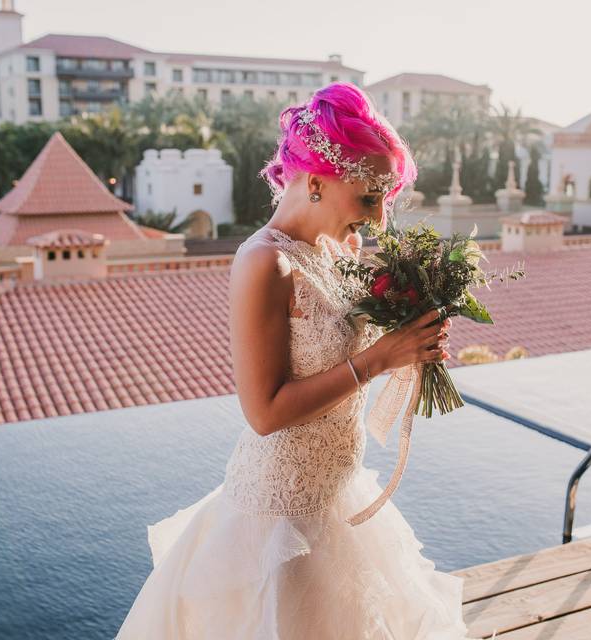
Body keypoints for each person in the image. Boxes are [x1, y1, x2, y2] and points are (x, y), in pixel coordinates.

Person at [115, 82, 469, 639]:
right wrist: (380, 359)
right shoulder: (263, 264)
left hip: (338, 493)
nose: (378, 221)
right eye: (370, 196)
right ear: (315, 182)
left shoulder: (342, 250)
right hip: (280, 512)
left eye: (384, 199)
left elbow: (351, 348)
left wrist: (412, 336)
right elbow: (265, 412)